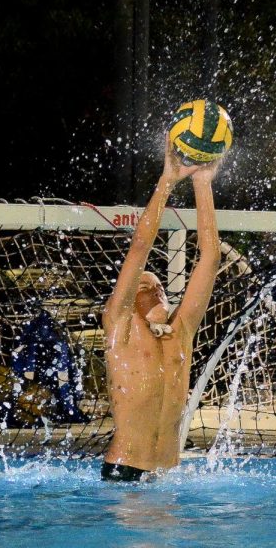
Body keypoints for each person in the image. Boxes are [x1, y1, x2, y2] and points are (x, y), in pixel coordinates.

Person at [100, 139, 221, 482]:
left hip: (167, 476)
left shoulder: (180, 330)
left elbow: (210, 259)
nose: (154, 290)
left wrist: (202, 183)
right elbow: (140, 249)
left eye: (159, 288)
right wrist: (168, 180)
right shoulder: (120, 325)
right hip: (126, 471)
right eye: (143, 286)